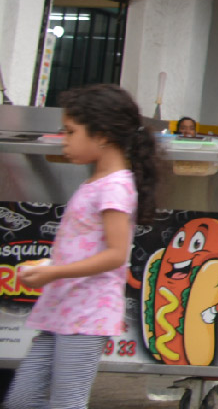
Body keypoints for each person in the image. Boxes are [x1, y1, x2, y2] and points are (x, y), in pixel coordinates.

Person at [6, 85, 157, 409]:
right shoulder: (96, 183)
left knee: (66, 403)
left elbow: (116, 255)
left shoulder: (115, 187)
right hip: (61, 310)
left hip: (86, 315)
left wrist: (54, 271)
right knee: (21, 399)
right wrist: (51, 268)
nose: (64, 139)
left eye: (71, 131)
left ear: (101, 135)